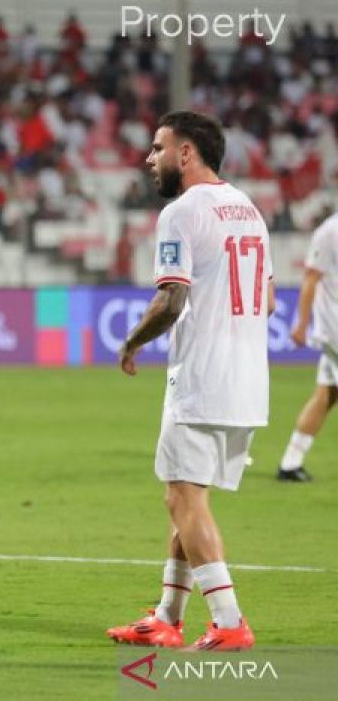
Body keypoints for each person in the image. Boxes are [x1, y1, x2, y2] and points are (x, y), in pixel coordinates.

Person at [107, 111, 271, 652]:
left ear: (186, 153)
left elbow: (172, 299)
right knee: (183, 498)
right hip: (249, 382)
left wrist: (132, 341)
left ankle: (228, 621)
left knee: (184, 498)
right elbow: (266, 300)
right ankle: (166, 616)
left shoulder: (182, 212)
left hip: (203, 380)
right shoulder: (248, 209)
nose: (148, 158)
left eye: (158, 148)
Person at [278, 211, 338, 481]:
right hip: (335, 327)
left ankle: (291, 463)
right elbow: (311, 279)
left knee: (327, 394)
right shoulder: (329, 232)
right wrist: (302, 324)